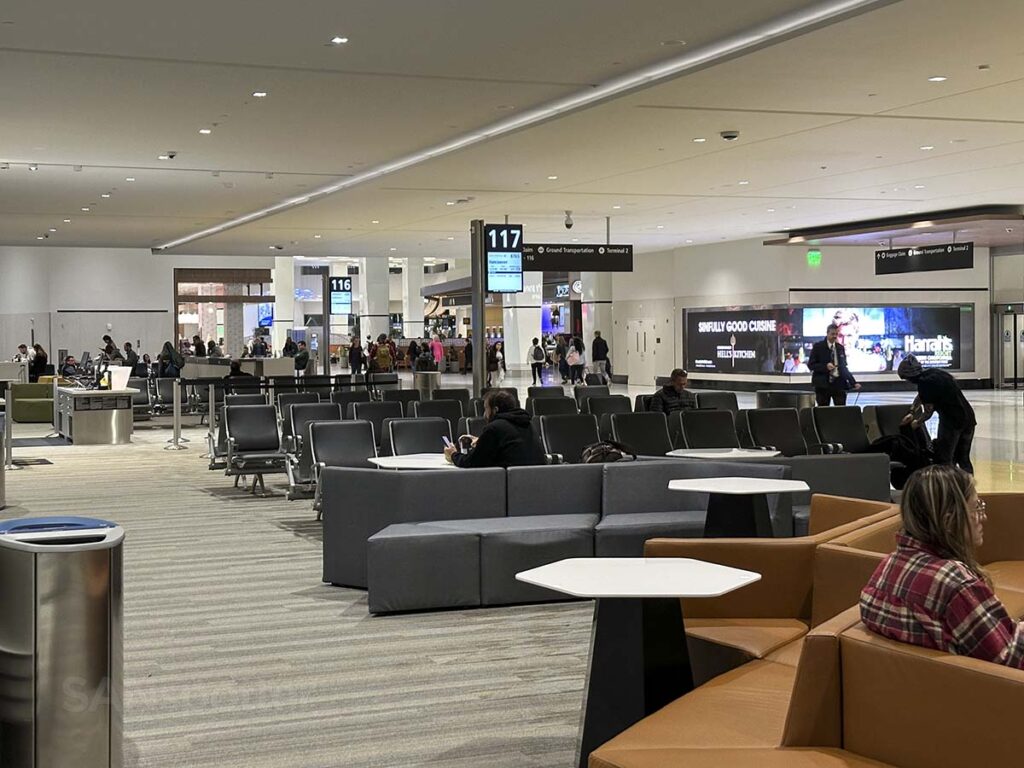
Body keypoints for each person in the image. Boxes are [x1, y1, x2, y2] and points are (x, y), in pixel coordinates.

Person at [861, 465, 1024, 668]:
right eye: (976, 508)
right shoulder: (956, 584)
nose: (984, 517)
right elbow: (1011, 658)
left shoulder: (886, 568)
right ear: (949, 521)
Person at [897, 354, 975, 474]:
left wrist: (916, 423)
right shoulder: (934, 373)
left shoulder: (924, 383)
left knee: (945, 459)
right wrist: (912, 411)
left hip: (951, 421)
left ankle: (948, 487)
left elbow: (928, 412)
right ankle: (969, 488)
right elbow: (921, 396)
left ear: (910, 376)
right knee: (964, 459)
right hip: (968, 418)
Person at [444, 390, 547, 468]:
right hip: (535, 481)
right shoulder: (529, 424)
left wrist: (453, 454)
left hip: (508, 485)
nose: (484, 414)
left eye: (486, 409)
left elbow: (472, 462)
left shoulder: (494, 428)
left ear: (495, 410)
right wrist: (482, 442)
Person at [808, 323, 860, 406]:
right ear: (827, 333)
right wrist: (825, 367)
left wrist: (853, 382)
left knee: (841, 411)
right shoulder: (818, 347)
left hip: (839, 385)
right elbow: (811, 365)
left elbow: (843, 367)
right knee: (822, 411)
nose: (835, 336)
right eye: (832, 334)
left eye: (836, 334)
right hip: (822, 385)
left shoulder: (840, 348)